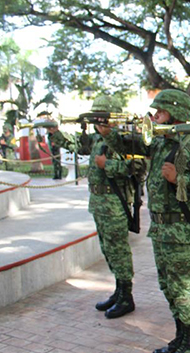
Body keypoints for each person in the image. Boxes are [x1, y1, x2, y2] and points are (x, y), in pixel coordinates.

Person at [98, 89, 190, 353]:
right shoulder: (157, 143)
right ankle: (181, 338)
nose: (154, 117)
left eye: (160, 112)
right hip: (161, 229)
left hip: (181, 230)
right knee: (168, 286)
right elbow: (126, 141)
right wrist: (107, 132)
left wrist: (180, 178)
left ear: (176, 114)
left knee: (183, 290)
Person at [49, 96, 140, 319]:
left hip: (115, 203)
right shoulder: (98, 139)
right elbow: (76, 145)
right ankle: (118, 291)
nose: (98, 120)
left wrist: (105, 164)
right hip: (99, 202)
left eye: (102, 116)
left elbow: (137, 166)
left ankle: (127, 296)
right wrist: (55, 133)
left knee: (118, 249)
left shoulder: (125, 139)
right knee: (107, 248)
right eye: (96, 116)